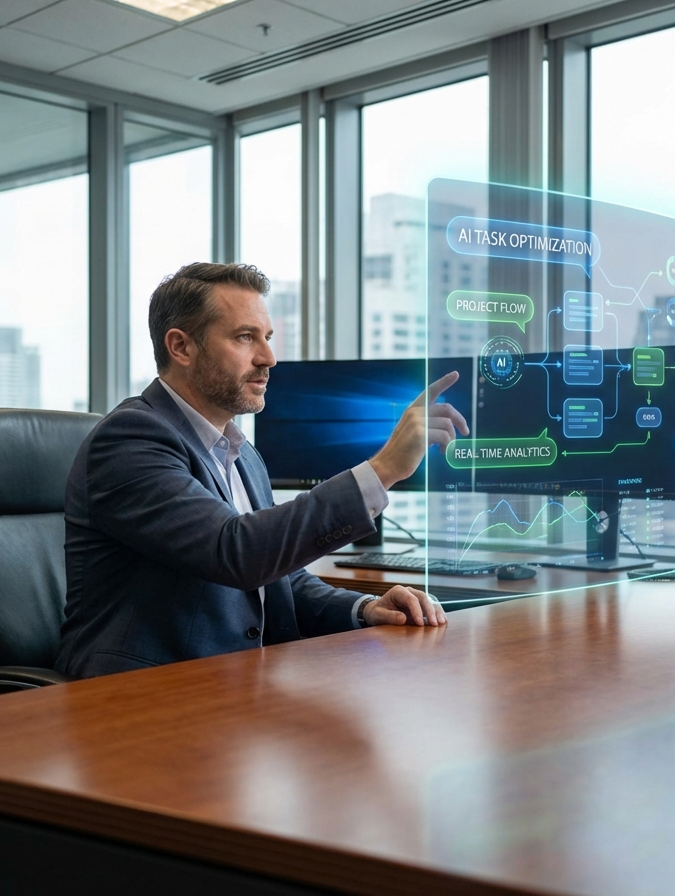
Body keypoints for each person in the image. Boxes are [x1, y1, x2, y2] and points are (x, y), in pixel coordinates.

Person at [55, 262, 468, 678]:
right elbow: (236, 552)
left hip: (232, 688)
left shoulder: (241, 453)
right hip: (139, 695)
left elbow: (279, 581)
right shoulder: (130, 438)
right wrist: (383, 469)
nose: (269, 358)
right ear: (181, 347)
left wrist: (364, 608)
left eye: (267, 338)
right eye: (245, 337)